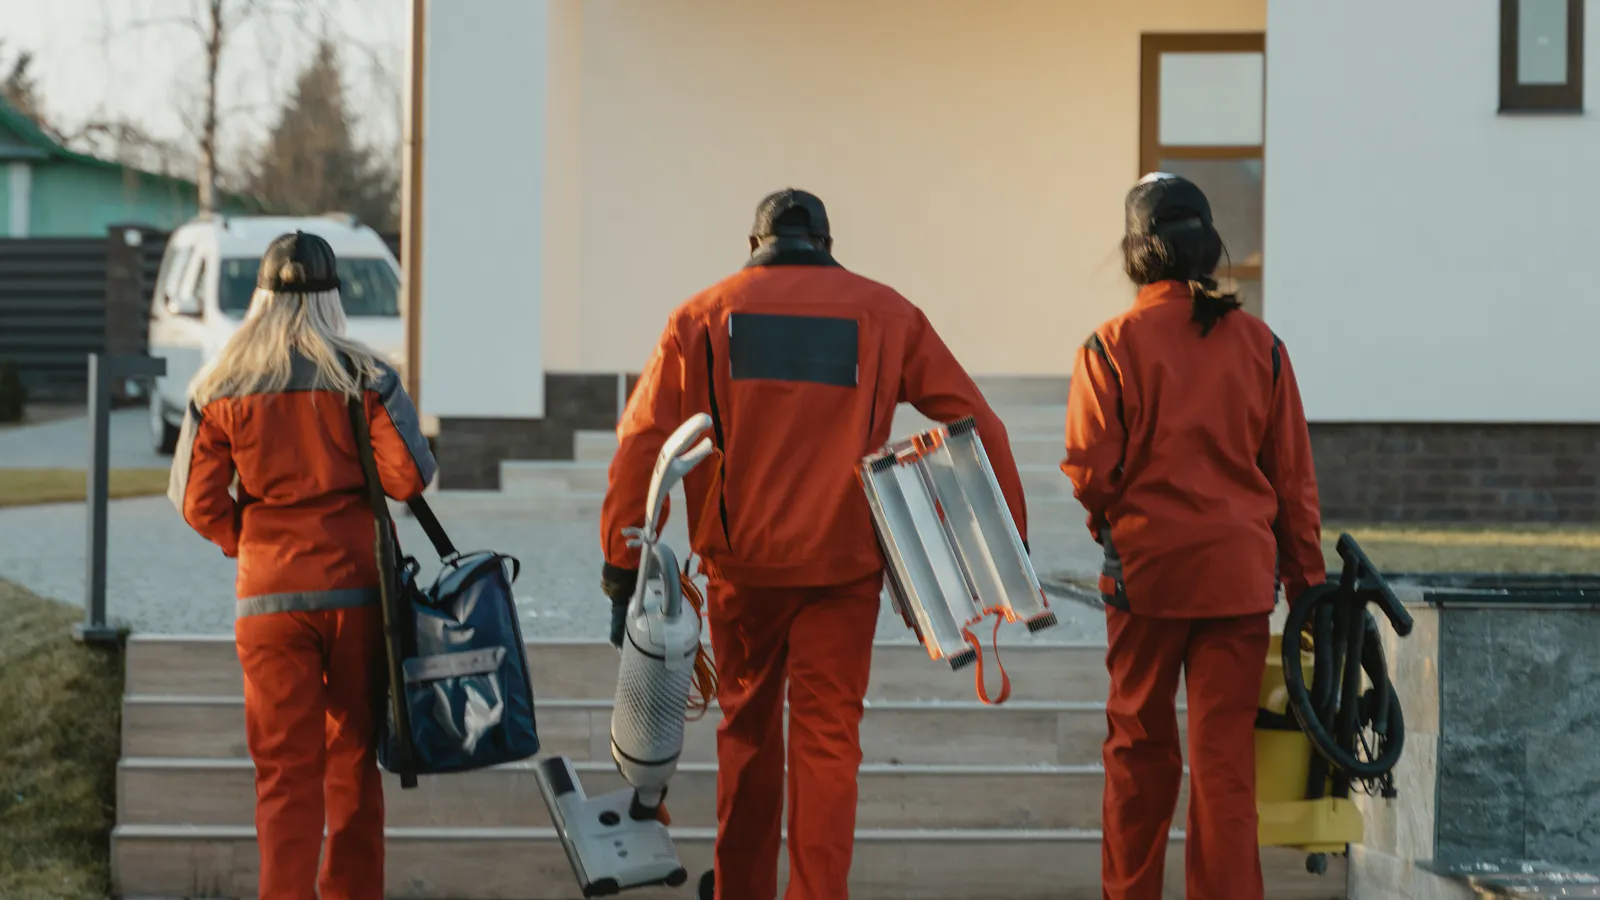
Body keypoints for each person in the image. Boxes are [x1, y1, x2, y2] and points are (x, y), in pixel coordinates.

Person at [599, 188, 1029, 900]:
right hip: (843, 569)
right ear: (827, 243)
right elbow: (975, 419)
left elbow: (644, 443)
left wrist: (622, 566)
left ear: (753, 244)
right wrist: (1005, 549)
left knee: (748, 735)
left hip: (742, 573)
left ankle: (740, 889)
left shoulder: (704, 315)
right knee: (829, 741)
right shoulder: (885, 312)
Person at [1061, 173, 1325, 900]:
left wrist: (1113, 526)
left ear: (1135, 253)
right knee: (1224, 768)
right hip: (1238, 583)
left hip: (1146, 579)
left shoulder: (1109, 347)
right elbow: (1294, 487)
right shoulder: (1261, 345)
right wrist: (1310, 592)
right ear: (1209, 247)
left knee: (1139, 757)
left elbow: (1088, 471)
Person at [169, 231, 436, 900]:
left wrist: (249, 539)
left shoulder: (220, 383)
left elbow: (197, 504)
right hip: (356, 592)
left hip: (268, 600)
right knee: (352, 762)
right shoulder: (367, 376)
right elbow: (410, 478)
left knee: (285, 774)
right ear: (332, 299)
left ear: (260, 297)